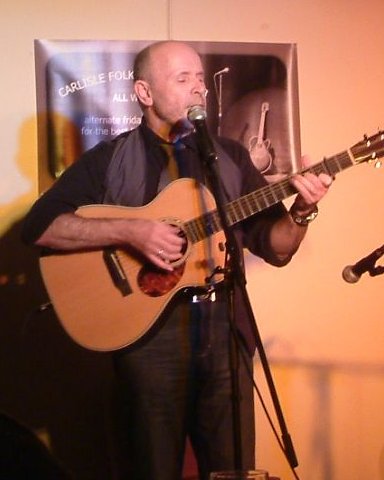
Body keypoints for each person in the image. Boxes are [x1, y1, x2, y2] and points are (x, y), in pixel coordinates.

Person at [22, 40, 332, 480]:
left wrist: (303, 211)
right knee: (151, 467)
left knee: (233, 469)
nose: (198, 89)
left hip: (225, 333)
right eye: (182, 79)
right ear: (145, 94)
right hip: (148, 340)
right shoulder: (111, 159)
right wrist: (132, 231)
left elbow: (277, 248)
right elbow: (40, 226)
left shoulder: (231, 157)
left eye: (200, 79)